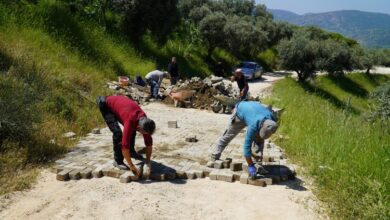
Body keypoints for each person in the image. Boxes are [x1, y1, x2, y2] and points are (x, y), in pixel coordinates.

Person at [211, 101, 278, 178]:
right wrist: (250, 165)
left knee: (259, 139)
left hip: (252, 113)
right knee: (229, 134)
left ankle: (257, 165)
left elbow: (265, 133)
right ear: (262, 125)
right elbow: (246, 147)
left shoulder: (272, 119)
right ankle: (215, 155)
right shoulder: (254, 125)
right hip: (240, 112)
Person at [96, 95, 155, 176]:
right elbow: (124, 146)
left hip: (120, 106)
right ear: (139, 128)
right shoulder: (130, 121)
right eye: (144, 133)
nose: (145, 135)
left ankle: (132, 152)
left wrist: (148, 161)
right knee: (118, 133)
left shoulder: (144, 121)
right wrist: (132, 166)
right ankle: (118, 161)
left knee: (132, 131)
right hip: (106, 105)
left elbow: (148, 142)